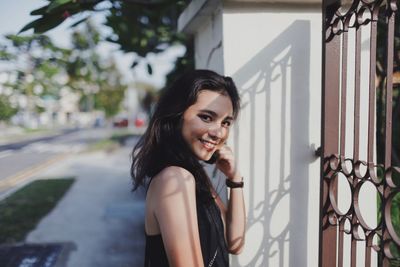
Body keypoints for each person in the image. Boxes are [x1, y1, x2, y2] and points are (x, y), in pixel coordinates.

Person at [131, 69, 246, 267]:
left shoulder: (193, 175)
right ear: (177, 115)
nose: (219, 132)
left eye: (226, 122)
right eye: (207, 117)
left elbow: (235, 242)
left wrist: (235, 179)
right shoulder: (174, 179)